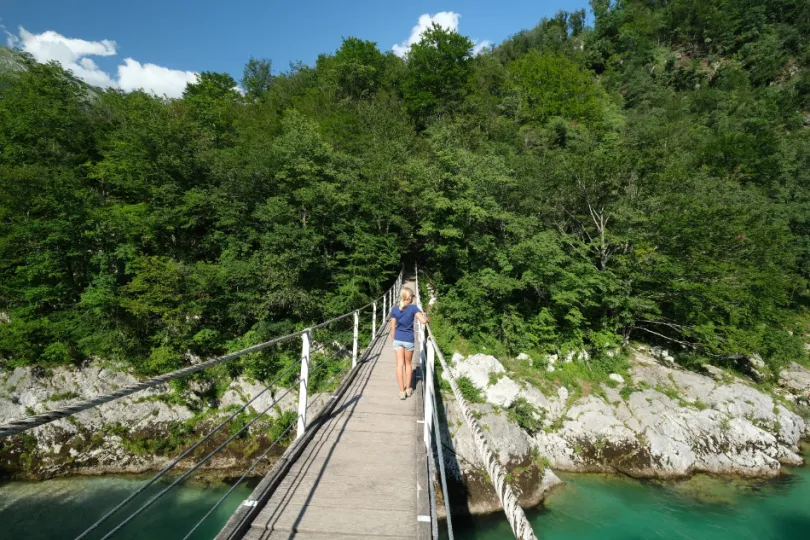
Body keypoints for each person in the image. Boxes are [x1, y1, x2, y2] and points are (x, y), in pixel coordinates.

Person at [389, 286, 428, 399]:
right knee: (408, 364)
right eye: (412, 296)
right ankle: (408, 388)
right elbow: (423, 321)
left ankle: (401, 392)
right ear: (409, 297)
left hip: (398, 339)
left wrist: (394, 340)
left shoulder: (395, 309)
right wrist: (427, 317)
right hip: (408, 340)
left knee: (399, 365)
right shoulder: (413, 308)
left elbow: (392, 328)